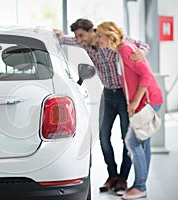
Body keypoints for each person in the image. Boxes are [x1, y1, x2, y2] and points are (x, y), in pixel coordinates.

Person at [54, 18, 150, 194]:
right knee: (104, 137)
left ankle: (122, 179)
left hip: (123, 95)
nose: (79, 40)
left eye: (82, 35)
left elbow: (141, 44)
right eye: (77, 37)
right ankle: (112, 176)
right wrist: (58, 35)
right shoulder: (85, 44)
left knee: (125, 138)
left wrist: (142, 52)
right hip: (107, 94)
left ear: (93, 31)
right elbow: (66, 39)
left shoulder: (109, 39)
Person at [96, 21, 163, 199]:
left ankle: (140, 186)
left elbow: (146, 74)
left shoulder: (125, 49)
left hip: (147, 100)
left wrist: (134, 103)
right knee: (142, 142)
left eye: (100, 36)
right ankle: (141, 185)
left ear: (109, 35)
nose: (98, 40)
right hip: (145, 100)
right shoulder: (119, 51)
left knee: (132, 142)